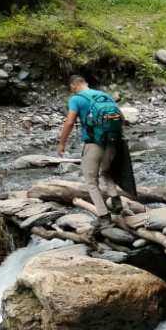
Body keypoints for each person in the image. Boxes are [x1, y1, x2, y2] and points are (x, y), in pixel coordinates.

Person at [57, 75, 127, 221]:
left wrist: (62, 143)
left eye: (71, 88)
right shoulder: (104, 95)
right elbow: (121, 117)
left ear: (73, 86)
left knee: (90, 180)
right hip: (113, 141)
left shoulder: (76, 99)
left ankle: (103, 216)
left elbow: (70, 122)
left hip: (94, 143)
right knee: (106, 172)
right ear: (86, 83)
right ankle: (115, 200)